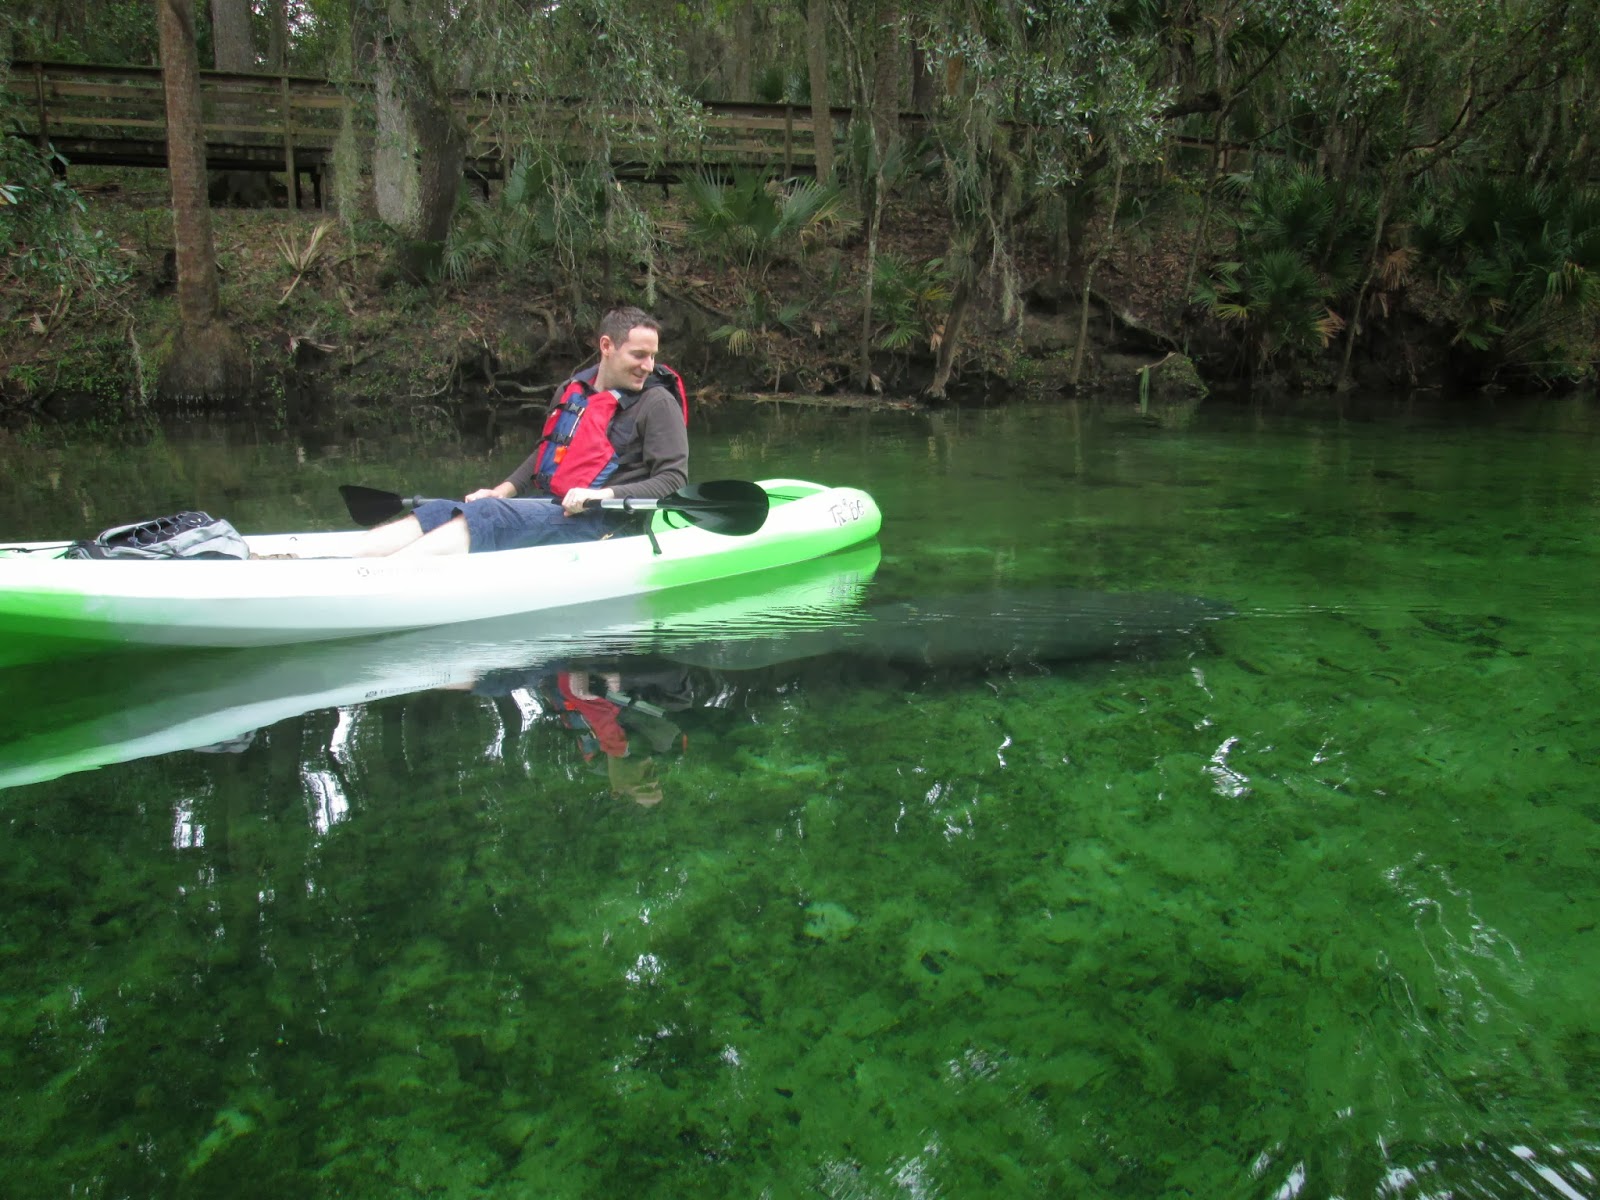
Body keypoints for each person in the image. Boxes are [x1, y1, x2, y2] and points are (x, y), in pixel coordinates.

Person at [359, 306, 688, 556]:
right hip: (555, 509)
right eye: (639, 355)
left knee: (488, 515)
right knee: (444, 508)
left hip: (607, 524)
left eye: (653, 356)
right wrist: (502, 490)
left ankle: (386, 578)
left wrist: (602, 495)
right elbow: (545, 451)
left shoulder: (656, 402)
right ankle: (347, 561)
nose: (648, 366)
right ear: (606, 346)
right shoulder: (572, 390)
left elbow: (673, 479)